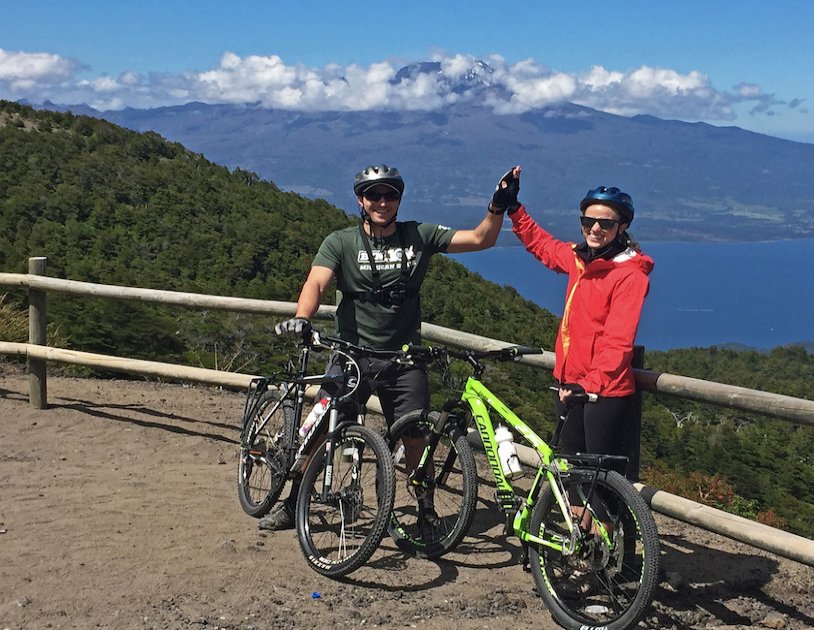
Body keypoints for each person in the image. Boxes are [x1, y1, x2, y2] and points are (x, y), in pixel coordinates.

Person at [258, 163, 516, 530]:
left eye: (390, 194)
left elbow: (481, 239)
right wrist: (303, 316)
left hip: (404, 358)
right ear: (360, 200)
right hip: (351, 353)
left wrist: (497, 207)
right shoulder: (341, 241)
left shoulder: (418, 235)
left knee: (415, 437)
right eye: (373, 195)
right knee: (322, 430)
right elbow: (316, 282)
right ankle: (293, 499)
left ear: (399, 199)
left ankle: (425, 510)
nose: (382, 201)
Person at [503, 170, 653, 484]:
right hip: (568, 384)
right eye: (588, 221)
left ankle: (603, 533)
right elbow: (543, 246)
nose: (595, 229)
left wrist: (591, 383)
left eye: (606, 223)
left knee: (602, 484)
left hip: (604, 393)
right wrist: (514, 207)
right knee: (573, 475)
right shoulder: (579, 258)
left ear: (622, 227)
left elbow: (619, 341)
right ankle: (577, 534)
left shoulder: (630, 275)